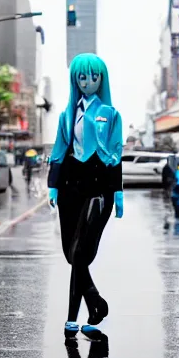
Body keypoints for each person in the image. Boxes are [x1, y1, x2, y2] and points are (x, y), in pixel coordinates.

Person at [47, 54, 123, 338]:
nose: (88, 82)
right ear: (75, 80)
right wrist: (53, 185)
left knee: (81, 253)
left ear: (101, 79)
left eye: (94, 77)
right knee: (71, 253)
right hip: (69, 188)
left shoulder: (110, 114)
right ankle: (94, 305)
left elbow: (116, 155)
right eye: (82, 77)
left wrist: (118, 193)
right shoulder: (67, 115)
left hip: (98, 188)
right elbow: (58, 149)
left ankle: (74, 316)